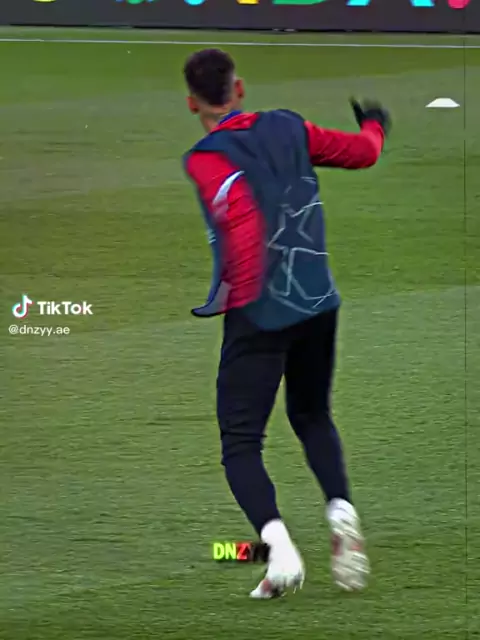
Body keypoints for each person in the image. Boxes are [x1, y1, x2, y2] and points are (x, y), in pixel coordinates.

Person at [182, 48, 391, 599]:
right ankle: (341, 511)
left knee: (241, 443)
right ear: (239, 88)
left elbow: (240, 220)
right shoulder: (289, 127)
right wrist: (375, 124)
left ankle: (280, 556)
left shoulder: (205, 158)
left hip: (260, 310)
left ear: (192, 103)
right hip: (319, 301)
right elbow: (364, 153)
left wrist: (232, 297)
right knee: (312, 414)